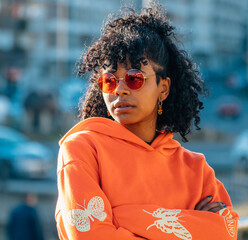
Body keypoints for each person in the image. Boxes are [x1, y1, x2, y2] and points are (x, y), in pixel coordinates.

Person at [55, 3, 239, 240]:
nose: (119, 90)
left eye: (134, 78)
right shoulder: (83, 149)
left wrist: (122, 218)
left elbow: (226, 231)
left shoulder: (196, 169)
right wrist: (192, 225)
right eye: (110, 80)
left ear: (163, 88)